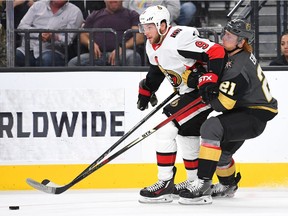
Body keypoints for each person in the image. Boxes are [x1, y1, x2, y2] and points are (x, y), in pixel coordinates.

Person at [178, 19, 278, 205]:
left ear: (241, 42)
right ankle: (228, 185)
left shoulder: (238, 66)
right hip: (244, 111)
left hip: (253, 116)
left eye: (229, 36)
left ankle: (203, 184)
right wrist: (202, 76)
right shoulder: (234, 55)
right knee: (222, 153)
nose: (223, 37)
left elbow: (222, 105)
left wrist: (200, 82)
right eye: (224, 33)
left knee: (211, 127)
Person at [136, 5, 227, 203]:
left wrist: (210, 78)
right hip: (188, 92)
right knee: (187, 133)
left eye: (149, 27)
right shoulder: (152, 45)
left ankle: (165, 182)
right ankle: (193, 182)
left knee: (165, 127)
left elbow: (217, 51)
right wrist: (147, 89)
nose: (145, 32)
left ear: (162, 25)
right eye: (143, 27)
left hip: (203, 93)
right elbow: (158, 68)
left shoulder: (179, 38)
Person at [68, 0, 144, 66]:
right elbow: (83, 35)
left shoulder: (132, 15)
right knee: (73, 63)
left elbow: (139, 37)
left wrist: (122, 47)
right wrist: (90, 43)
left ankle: (130, 82)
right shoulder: (94, 15)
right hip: (98, 55)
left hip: (123, 53)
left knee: (133, 56)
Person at [15, 0, 84, 67]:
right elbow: (21, 27)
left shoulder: (75, 12)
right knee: (12, 56)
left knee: (46, 59)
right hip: (28, 49)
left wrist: (53, 37)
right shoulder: (38, 5)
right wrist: (39, 33)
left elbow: (68, 39)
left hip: (53, 52)